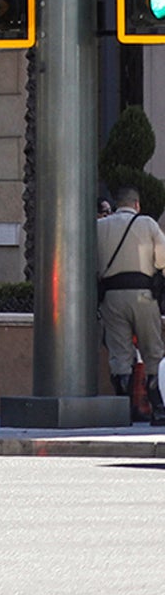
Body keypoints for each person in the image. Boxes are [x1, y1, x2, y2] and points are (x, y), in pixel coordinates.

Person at [97, 181, 165, 426]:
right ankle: (158, 409)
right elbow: (162, 259)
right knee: (153, 352)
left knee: (120, 355)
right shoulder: (147, 224)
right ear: (137, 204)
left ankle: (123, 412)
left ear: (117, 205)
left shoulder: (100, 226)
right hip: (143, 295)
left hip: (112, 297)